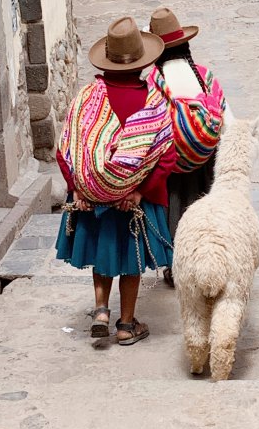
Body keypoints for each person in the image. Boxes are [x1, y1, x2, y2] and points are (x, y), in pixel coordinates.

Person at [55, 17, 177, 345]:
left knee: (103, 254)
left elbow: (67, 148)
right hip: (132, 201)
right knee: (130, 262)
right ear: (142, 62)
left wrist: (78, 187)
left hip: (92, 199)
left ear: (106, 60)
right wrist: (138, 191)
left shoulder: (87, 98)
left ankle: (100, 311)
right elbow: (166, 156)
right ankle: (126, 325)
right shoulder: (153, 104)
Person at [146, 7, 232, 287]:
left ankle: (174, 267)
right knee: (203, 207)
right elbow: (226, 118)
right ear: (185, 44)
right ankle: (209, 260)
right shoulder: (203, 76)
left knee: (175, 209)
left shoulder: (153, 82)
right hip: (205, 159)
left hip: (171, 161)